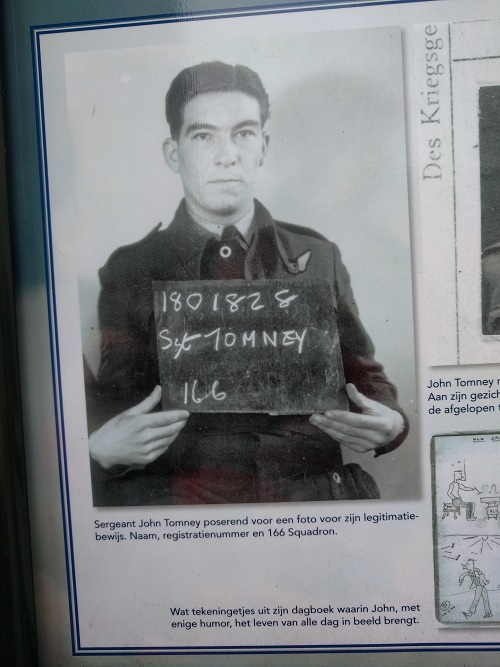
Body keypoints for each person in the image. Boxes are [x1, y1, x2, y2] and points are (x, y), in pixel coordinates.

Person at [86, 61, 408, 506]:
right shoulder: (131, 270)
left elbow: (363, 374)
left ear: (264, 145)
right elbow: (114, 407)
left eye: (243, 133)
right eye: (203, 136)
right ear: (173, 153)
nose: (227, 155)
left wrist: (391, 423)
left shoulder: (318, 256)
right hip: (190, 512)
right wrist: (99, 449)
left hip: (310, 502)